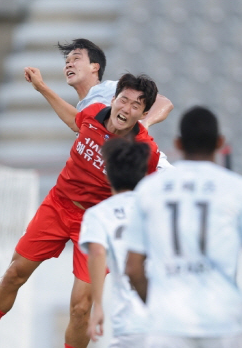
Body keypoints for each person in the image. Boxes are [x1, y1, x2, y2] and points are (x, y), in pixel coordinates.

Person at [0, 74, 162, 348]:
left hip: (95, 223)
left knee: (81, 308)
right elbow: (75, 119)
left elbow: (149, 192)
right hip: (58, 205)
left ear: (143, 113)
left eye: (136, 105)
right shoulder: (94, 114)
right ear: (114, 99)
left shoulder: (146, 150)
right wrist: (43, 88)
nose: (126, 109)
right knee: (14, 273)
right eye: (123, 100)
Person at [124, 106, 242, 348]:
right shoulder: (239, 189)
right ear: (220, 142)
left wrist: (158, 307)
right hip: (222, 323)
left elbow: (133, 268)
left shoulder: (151, 190)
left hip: (167, 325)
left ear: (178, 143)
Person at [24, 38, 174, 166]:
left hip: (155, 172)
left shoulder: (111, 88)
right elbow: (76, 122)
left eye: (76, 59)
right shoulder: (83, 108)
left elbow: (164, 102)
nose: (69, 64)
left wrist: (143, 124)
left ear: (95, 67)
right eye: (67, 62)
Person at [78, 138, 151, 348]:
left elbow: (98, 252)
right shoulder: (157, 208)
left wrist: (98, 306)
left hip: (130, 324)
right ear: (143, 174)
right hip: (168, 322)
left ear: (108, 174)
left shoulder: (99, 214)